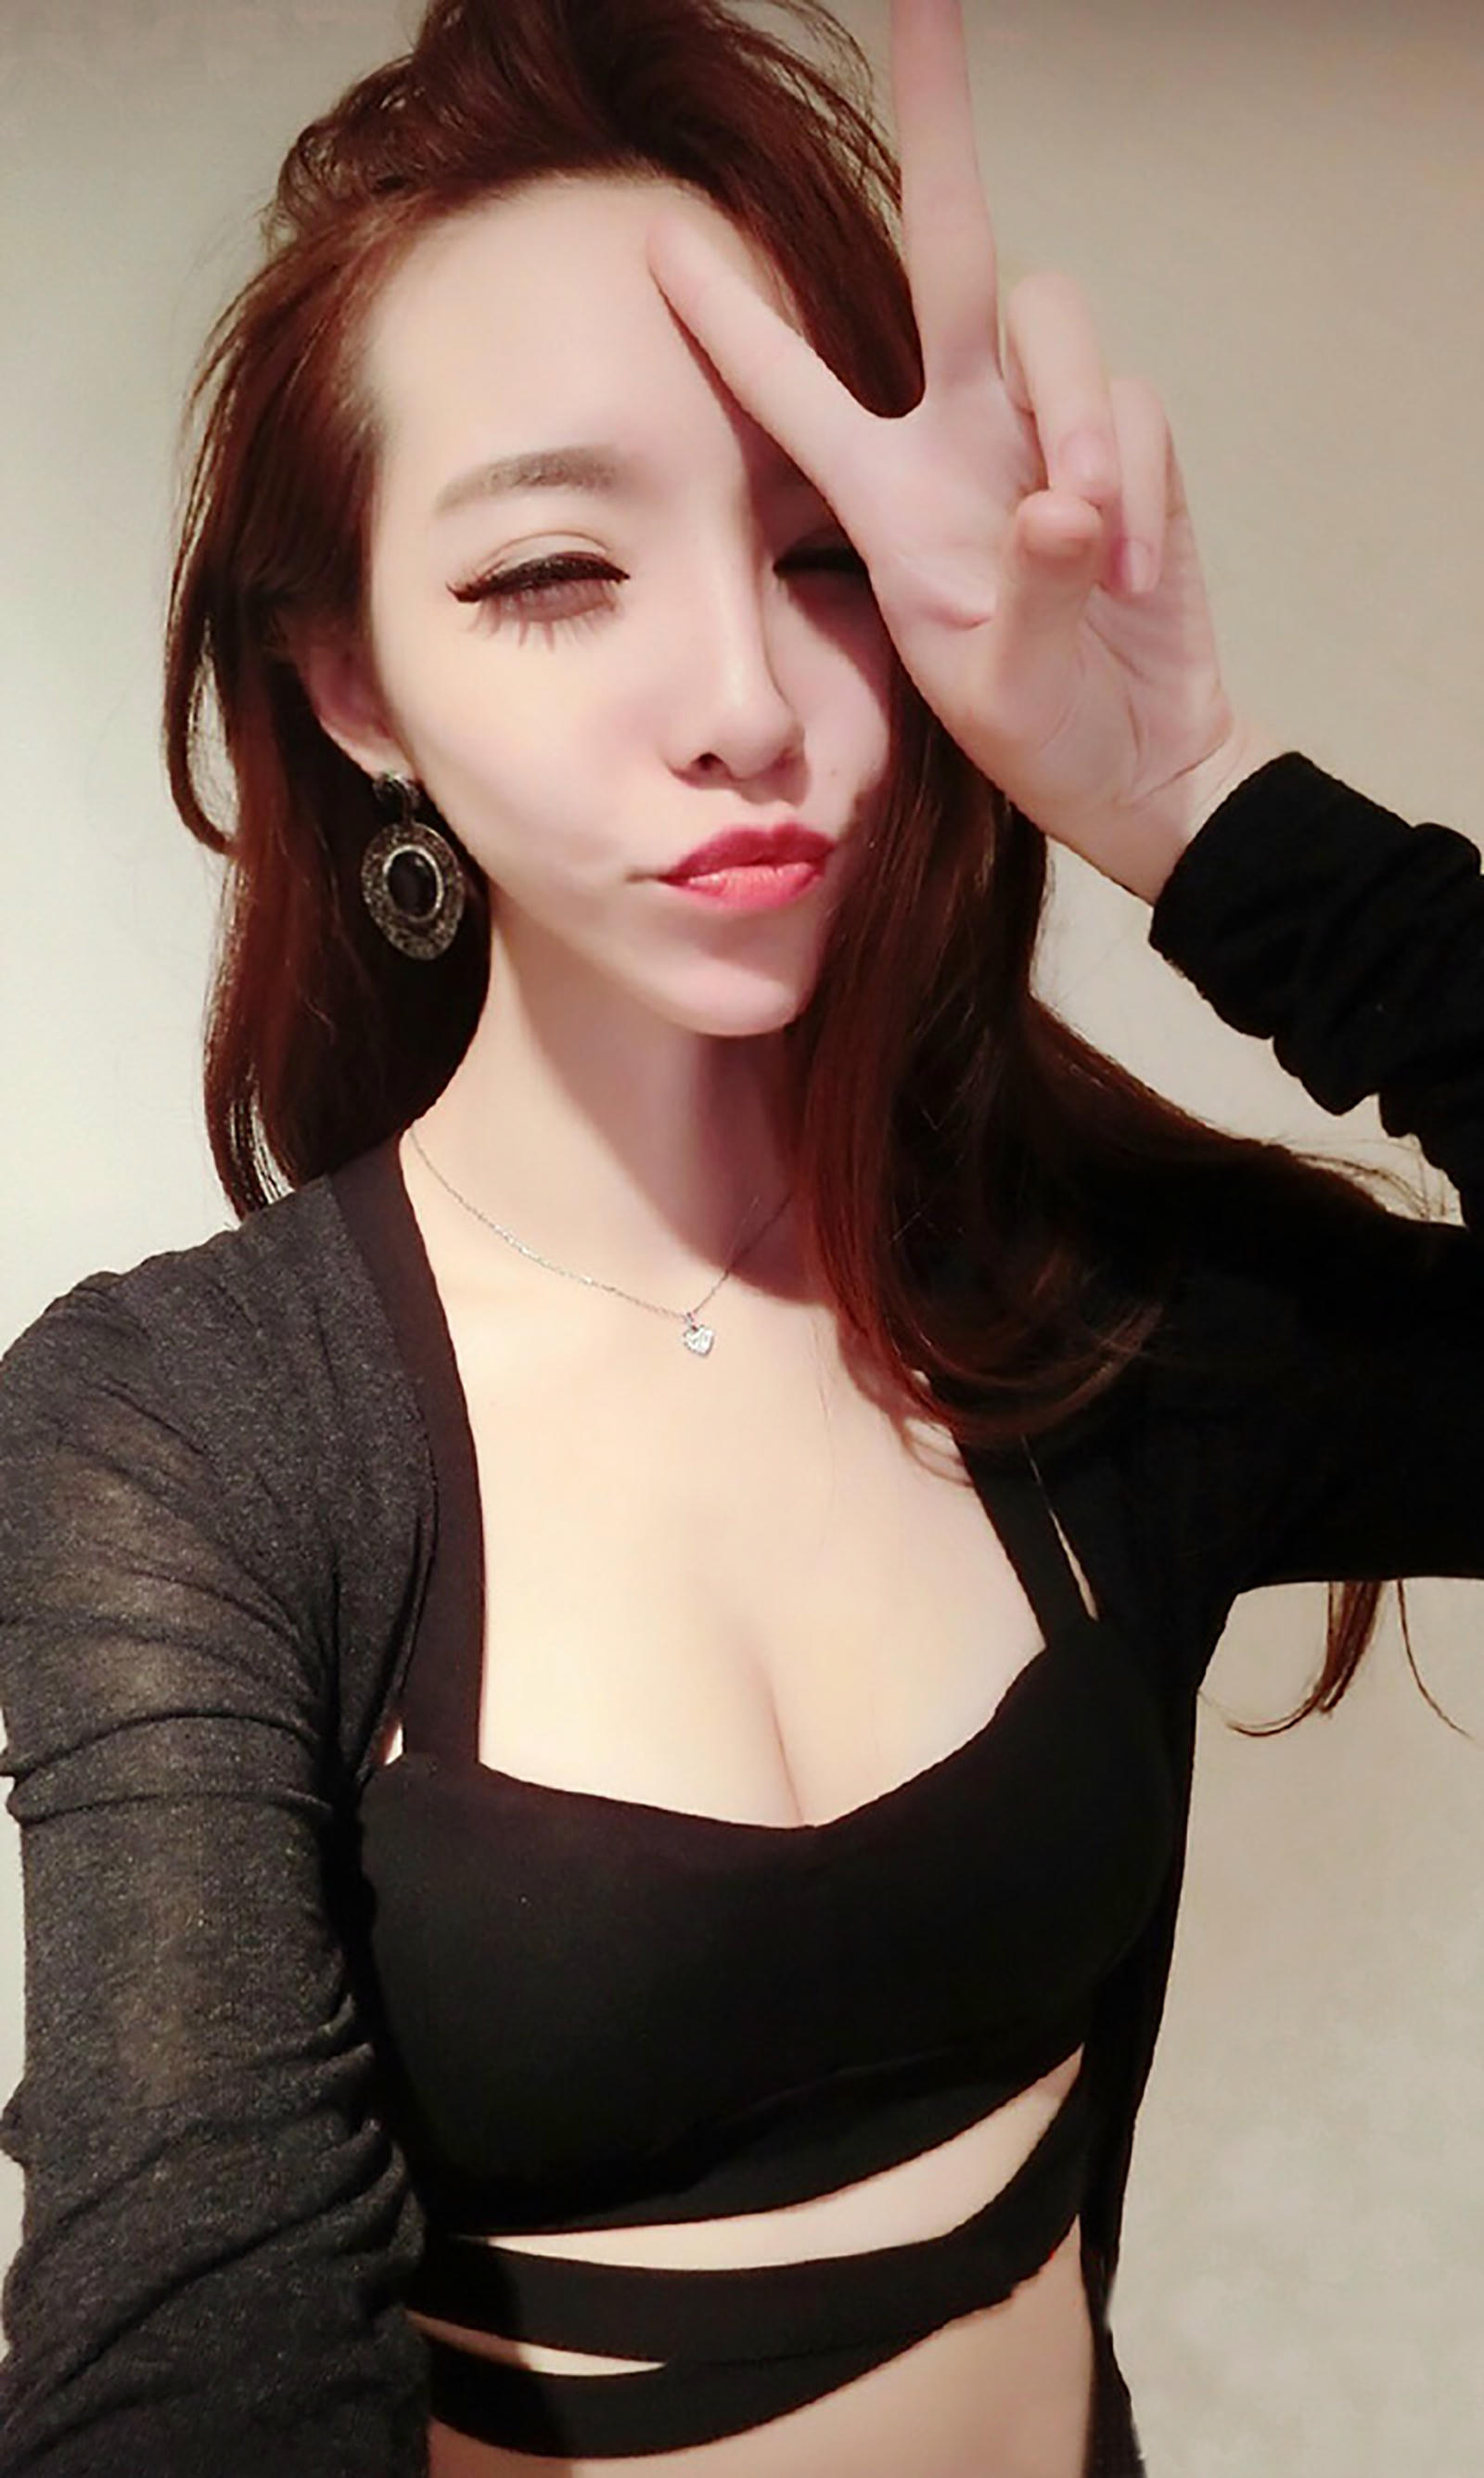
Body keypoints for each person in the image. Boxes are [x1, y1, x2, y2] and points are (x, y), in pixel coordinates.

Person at [0, 0, 1479, 2472]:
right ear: (353, 682)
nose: (748, 701)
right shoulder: (190, 1440)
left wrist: (1205, 809)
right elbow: (188, 2333)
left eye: (823, 558)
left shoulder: (1093, 1315)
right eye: (556, 570)